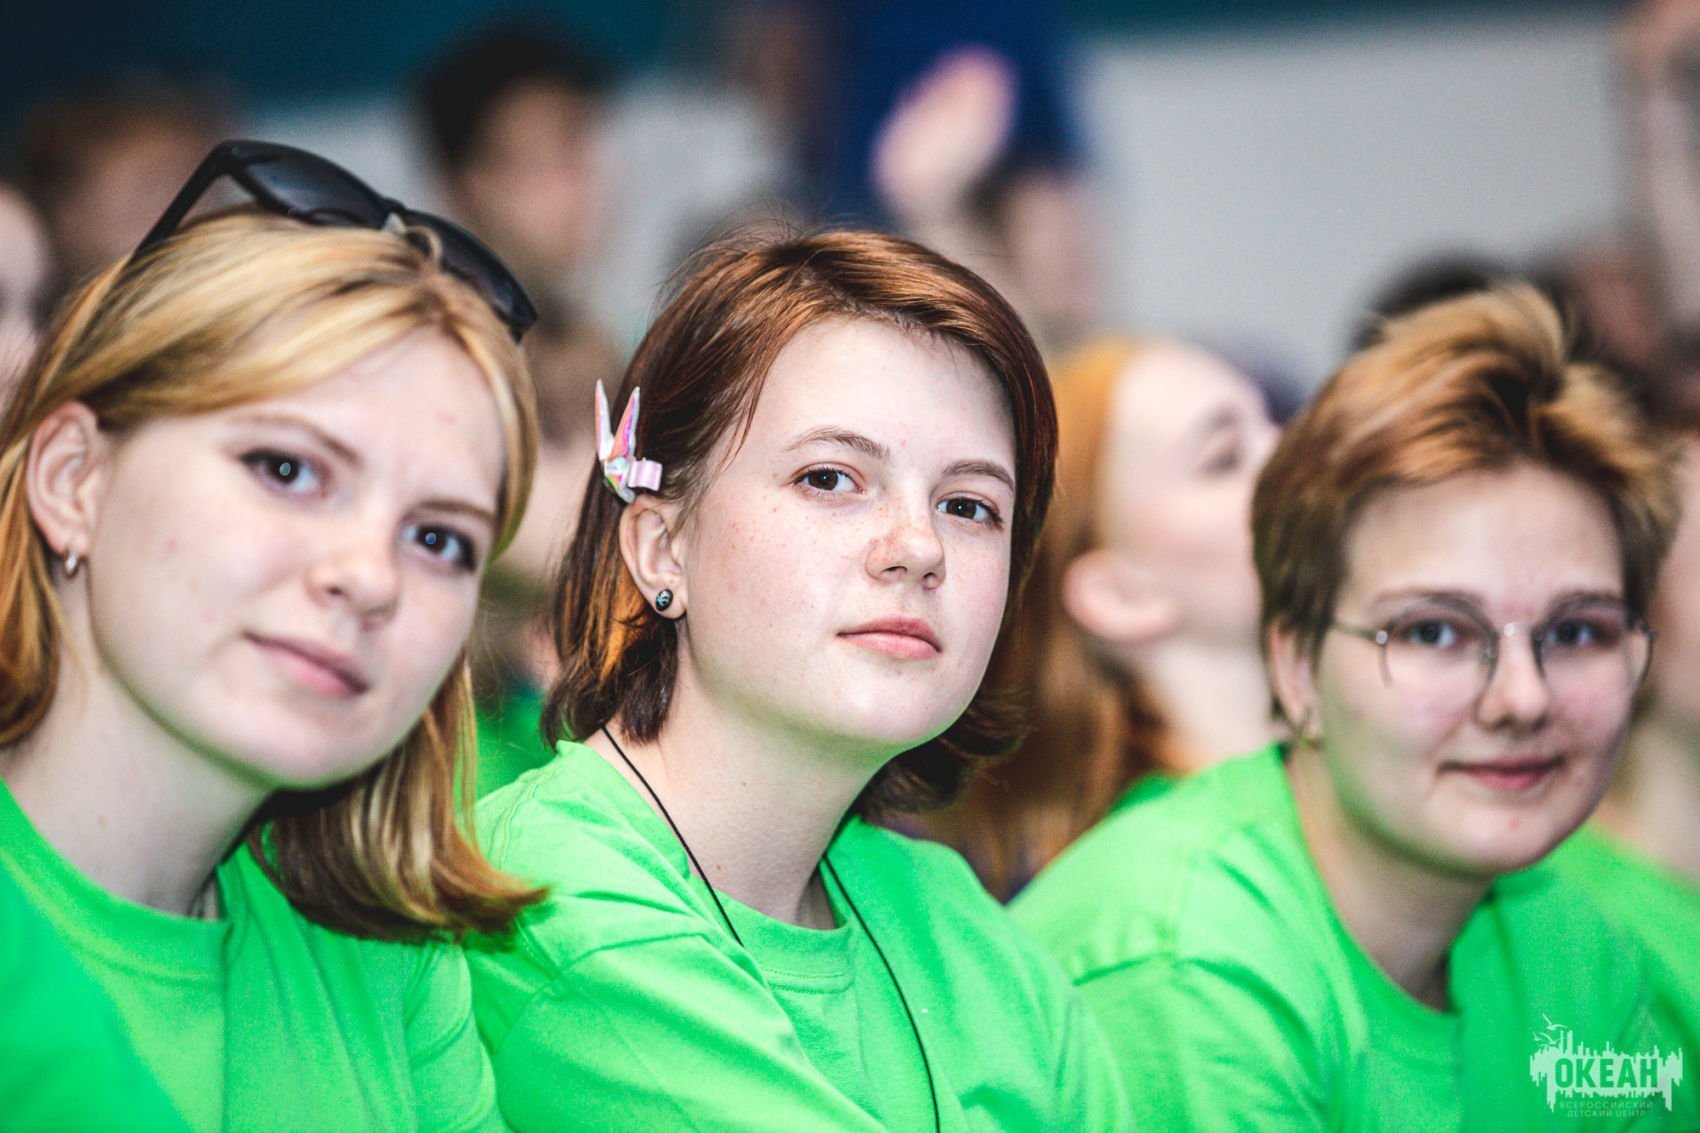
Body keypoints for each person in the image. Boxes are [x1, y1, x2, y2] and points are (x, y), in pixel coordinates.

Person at [468, 229, 1130, 1131]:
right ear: (662, 546)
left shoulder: (945, 912)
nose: (919, 547)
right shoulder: (547, 895)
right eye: (829, 477)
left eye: (969, 505)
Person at [1014, 286, 1696, 1128]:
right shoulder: (1184, 957)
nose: (1524, 697)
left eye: (1575, 632)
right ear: (1297, 668)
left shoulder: (1568, 941)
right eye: (1435, 632)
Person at [0, 139, 542, 1130]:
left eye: (438, 538)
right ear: (74, 478)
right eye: (287, 469)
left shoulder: (392, 962)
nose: (370, 576)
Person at [912, 336, 1279, 899]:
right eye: (1224, 459)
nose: (1290, 451)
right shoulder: (1162, 891)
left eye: (1273, 422)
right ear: (1122, 595)